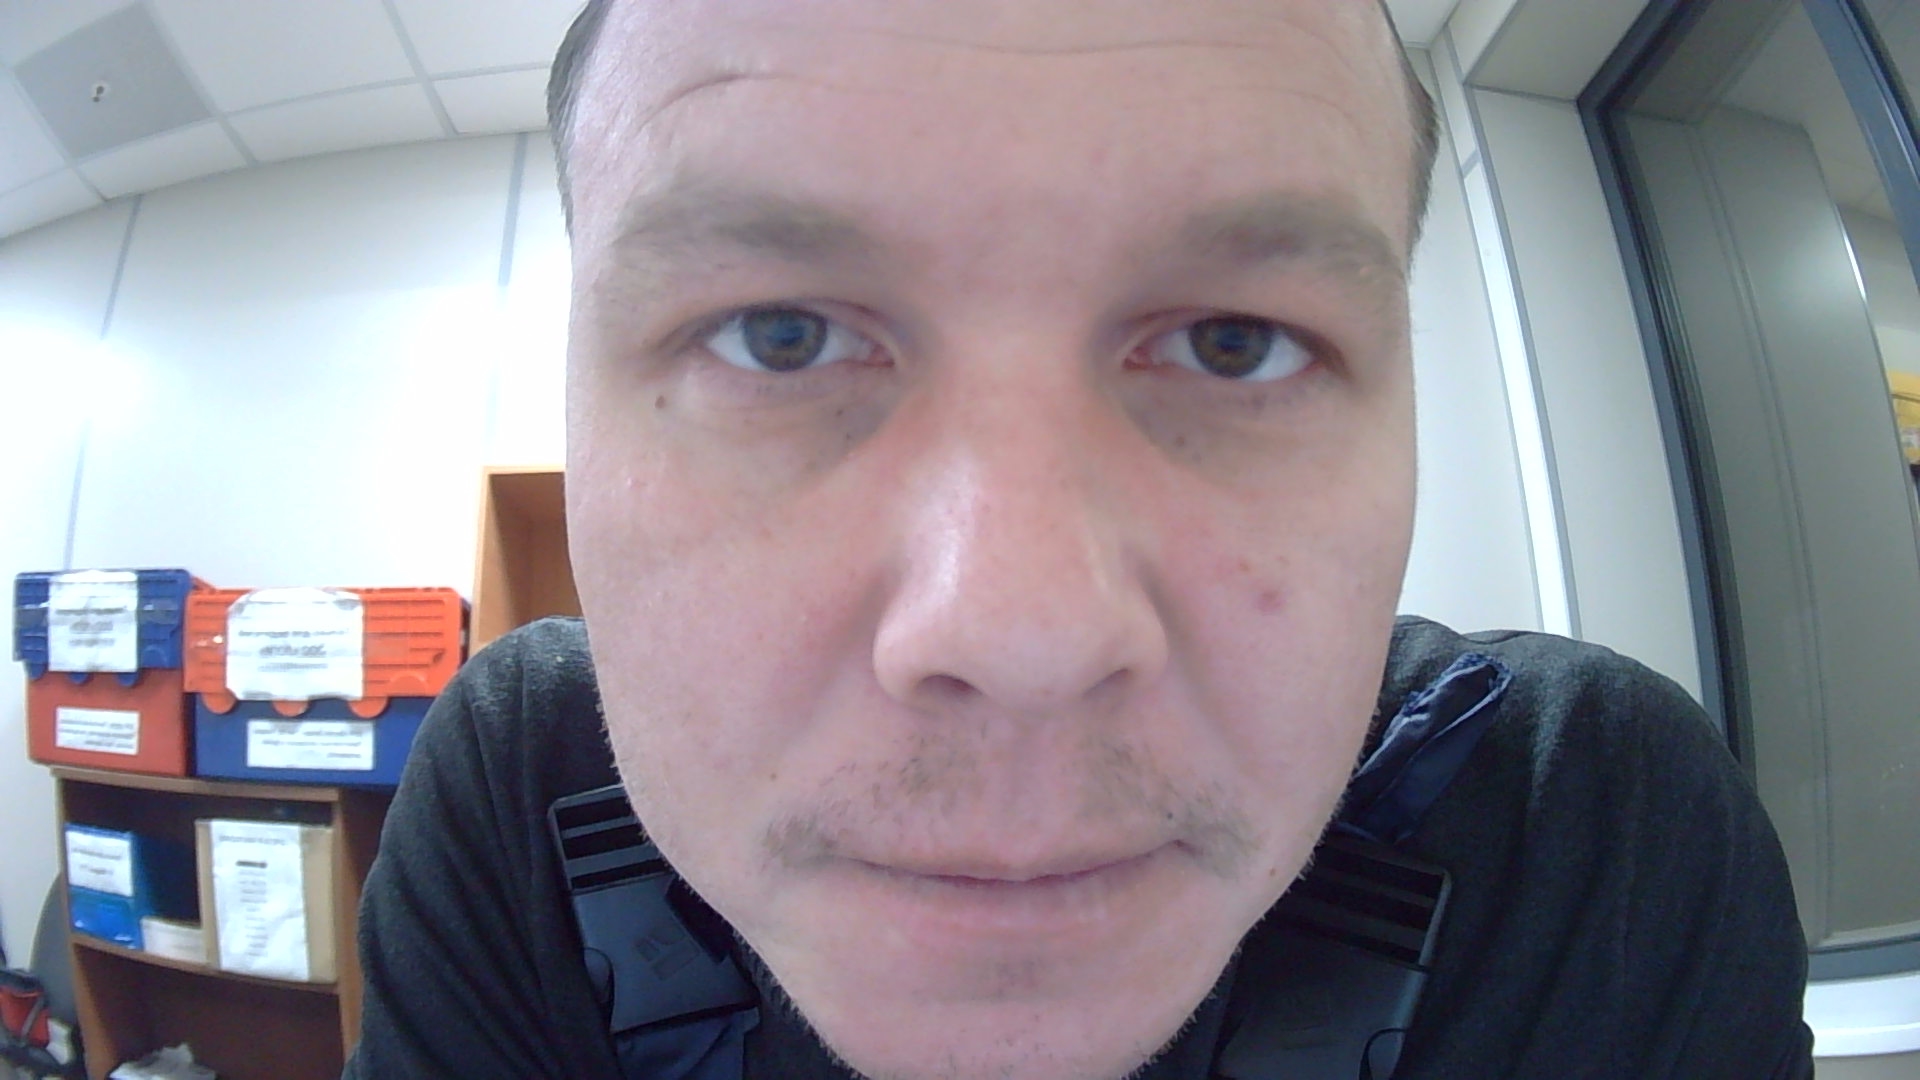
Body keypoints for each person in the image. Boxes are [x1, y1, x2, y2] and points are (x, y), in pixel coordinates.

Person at [343, 1, 1815, 1077]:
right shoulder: (523, 792)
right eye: (778, 335)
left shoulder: (1594, 832)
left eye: (1236, 342)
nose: (1022, 636)